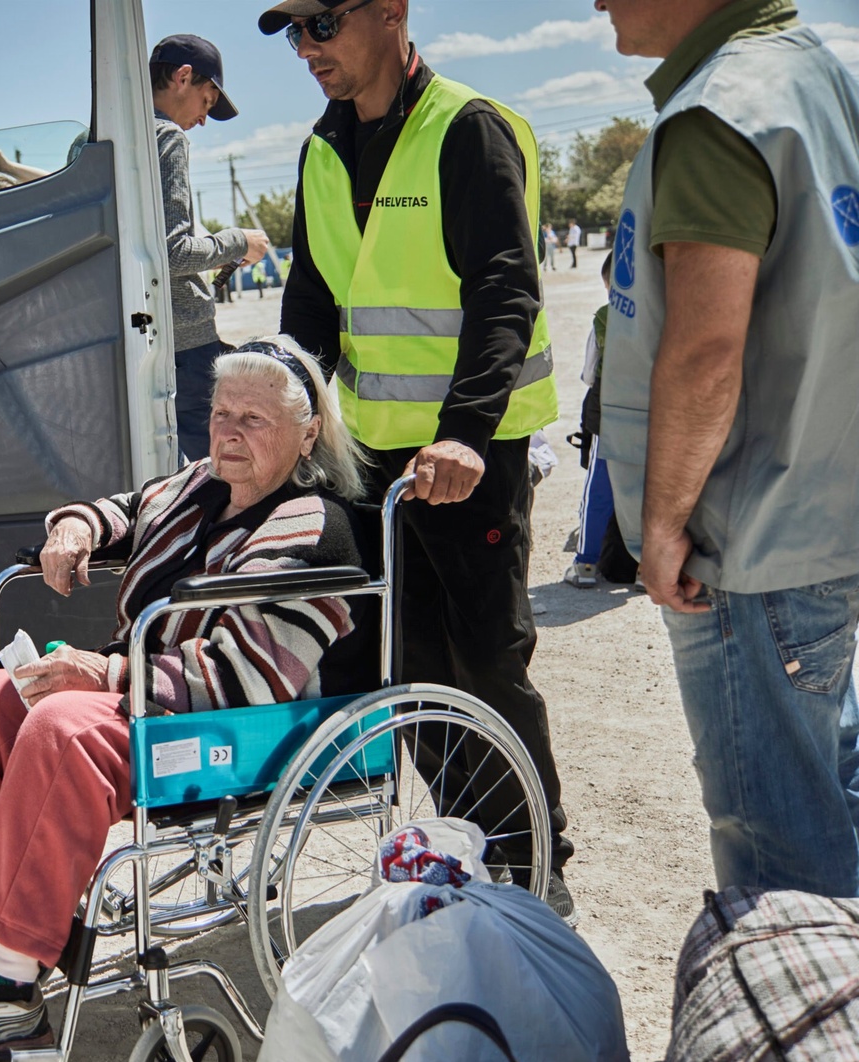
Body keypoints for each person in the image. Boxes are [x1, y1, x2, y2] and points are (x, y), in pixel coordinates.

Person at [0, 336, 374, 1062]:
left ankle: (7, 988)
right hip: (148, 700)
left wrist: (107, 672)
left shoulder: (315, 525)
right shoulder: (199, 485)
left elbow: (248, 673)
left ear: (307, 431)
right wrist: (74, 526)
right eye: (221, 412)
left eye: (254, 417)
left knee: (62, 724)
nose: (229, 431)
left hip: (239, 724)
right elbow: (124, 507)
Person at [262, 0, 576, 920]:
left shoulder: (468, 131)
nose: (307, 50)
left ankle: (537, 855)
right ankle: (468, 842)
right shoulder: (323, 150)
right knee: (408, 665)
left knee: (485, 658)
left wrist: (468, 431)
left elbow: (504, 290)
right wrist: (288, 409)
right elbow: (314, 297)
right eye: (294, 35)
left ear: (390, 13)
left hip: (469, 451)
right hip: (374, 457)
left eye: (322, 24)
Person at [596, 0, 859, 896]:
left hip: (747, 549)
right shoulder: (815, 77)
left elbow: (707, 350)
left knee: (780, 852)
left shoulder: (720, 111)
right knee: (835, 799)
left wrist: (663, 522)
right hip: (819, 520)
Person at [150, 34, 270, 461]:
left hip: (149, 343)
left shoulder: (100, 141)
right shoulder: (165, 138)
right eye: (206, 100)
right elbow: (173, 252)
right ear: (183, 78)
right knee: (218, 471)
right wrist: (240, 240)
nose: (203, 119)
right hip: (187, 347)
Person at [565, 253, 617, 588]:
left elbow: (588, 374)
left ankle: (586, 565)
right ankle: (643, 568)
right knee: (646, 490)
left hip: (608, 414)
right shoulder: (666, 315)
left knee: (598, 490)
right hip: (655, 416)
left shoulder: (604, 317)